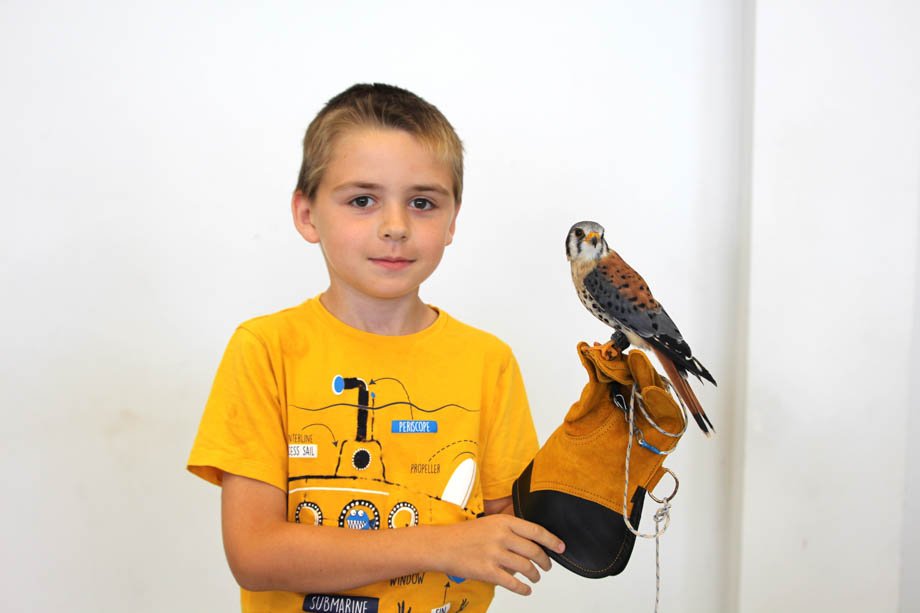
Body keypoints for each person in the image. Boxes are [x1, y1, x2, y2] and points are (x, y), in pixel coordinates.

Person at [187, 83, 564, 613]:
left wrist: (599, 479)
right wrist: (441, 544)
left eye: (422, 203)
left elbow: (507, 531)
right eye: (362, 200)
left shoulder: (488, 362)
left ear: (452, 220)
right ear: (307, 214)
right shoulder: (266, 350)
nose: (395, 227)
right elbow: (255, 553)